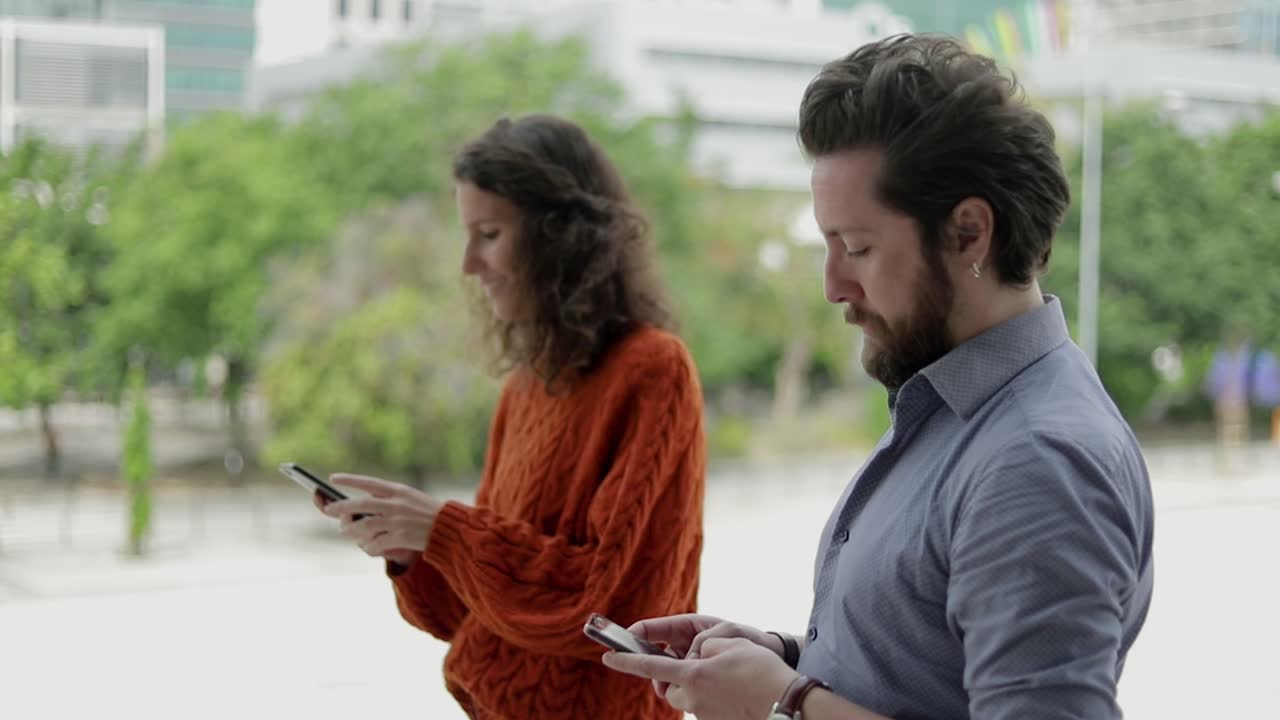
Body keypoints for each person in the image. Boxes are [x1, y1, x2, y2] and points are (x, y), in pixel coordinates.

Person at [604, 34, 1154, 720]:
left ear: (969, 234)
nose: (834, 285)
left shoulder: (1038, 461)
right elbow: (930, 672)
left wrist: (784, 705)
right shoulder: (952, 406)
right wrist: (784, 658)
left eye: (857, 248)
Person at [317, 114, 706, 720]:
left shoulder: (654, 370)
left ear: (560, 237)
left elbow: (611, 612)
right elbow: (473, 616)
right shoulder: (524, 387)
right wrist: (409, 549)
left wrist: (445, 531)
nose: (469, 265)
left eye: (489, 234)